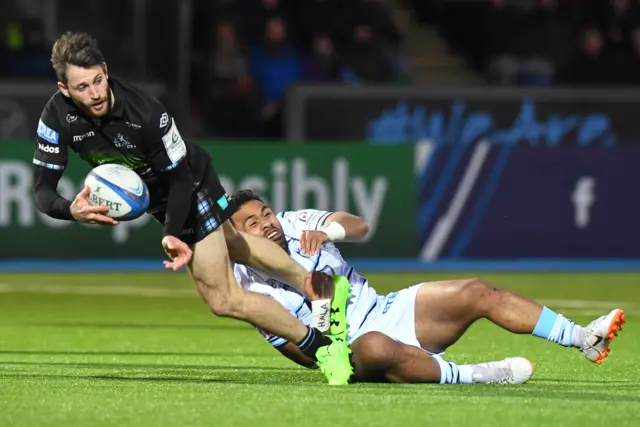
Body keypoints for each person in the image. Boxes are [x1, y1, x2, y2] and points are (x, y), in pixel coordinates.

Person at [31, 31, 352, 385]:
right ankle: (315, 285)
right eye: (81, 88)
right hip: (163, 195)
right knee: (234, 244)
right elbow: (42, 190)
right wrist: (69, 210)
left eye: (97, 80)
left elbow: (180, 180)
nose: (94, 94)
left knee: (223, 299)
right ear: (64, 89)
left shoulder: (146, 111)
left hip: (188, 182)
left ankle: (321, 346)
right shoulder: (55, 117)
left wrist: (171, 233)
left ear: (106, 70)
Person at [229, 189, 626, 384]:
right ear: (239, 240)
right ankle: (476, 374)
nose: (268, 223)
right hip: (349, 349)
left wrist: (327, 229)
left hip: (386, 310)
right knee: (376, 345)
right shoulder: (249, 290)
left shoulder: (296, 222)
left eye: (266, 212)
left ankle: (582, 337)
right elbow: (309, 357)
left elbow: (360, 224)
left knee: (475, 290)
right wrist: (319, 309)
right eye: (252, 223)